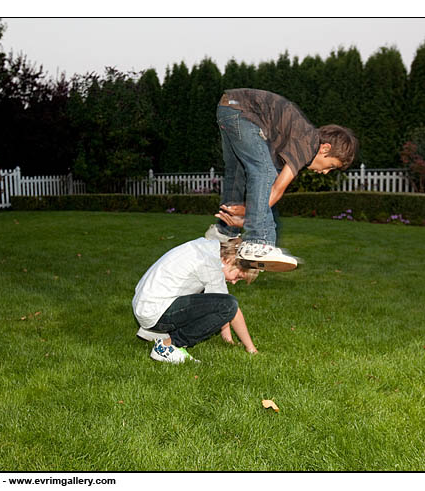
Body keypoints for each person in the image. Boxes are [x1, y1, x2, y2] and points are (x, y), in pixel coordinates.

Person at [205, 88, 359, 271]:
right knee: (264, 172)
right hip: (243, 112)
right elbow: (276, 188)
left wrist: (247, 214)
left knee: (238, 172)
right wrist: (251, 219)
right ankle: (258, 241)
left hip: (228, 109)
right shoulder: (308, 144)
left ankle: (223, 232)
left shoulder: (292, 141)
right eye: (331, 166)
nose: (326, 172)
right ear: (325, 149)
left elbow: (263, 192)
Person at [132, 237, 259, 364]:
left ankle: (154, 332)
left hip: (146, 305)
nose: (234, 282)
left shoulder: (207, 247)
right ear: (228, 260)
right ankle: (168, 346)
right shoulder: (210, 265)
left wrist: (227, 338)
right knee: (229, 305)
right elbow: (230, 309)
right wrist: (251, 348)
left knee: (216, 301)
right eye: (238, 277)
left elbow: (216, 301)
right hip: (154, 311)